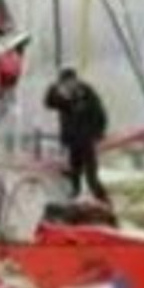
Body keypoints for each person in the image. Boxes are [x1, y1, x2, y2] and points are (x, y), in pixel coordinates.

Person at [44, 66, 110, 204]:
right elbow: (48, 102)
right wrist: (55, 88)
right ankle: (74, 200)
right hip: (71, 141)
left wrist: (99, 133)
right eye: (64, 84)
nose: (68, 86)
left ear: (75, 80)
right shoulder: (62, 97)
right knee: (74, 176)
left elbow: (100, 113)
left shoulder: (85, 92)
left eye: (70, 82)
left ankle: (104, 201)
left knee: (91, 177)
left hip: (86, 140)